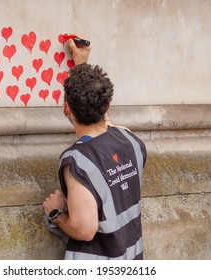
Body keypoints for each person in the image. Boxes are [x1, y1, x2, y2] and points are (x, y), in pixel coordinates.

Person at [43, 35, 147, 260]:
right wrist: (82, 65)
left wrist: (56, 213)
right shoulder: (130, 140)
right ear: (107, 104)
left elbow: (84, 229)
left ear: (65, 109)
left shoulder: (78, 161)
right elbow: (105, 124)